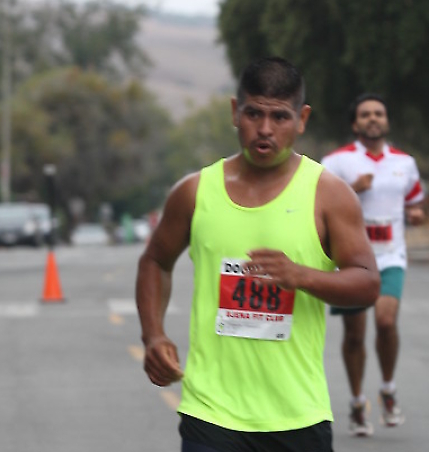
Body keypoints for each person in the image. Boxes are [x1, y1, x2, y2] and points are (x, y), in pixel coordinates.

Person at [135, 57, 380, 452]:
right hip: (211, 414)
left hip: (298, 416)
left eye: (280, 117)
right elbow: (155, 260)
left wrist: (301, 276)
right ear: (236, 112)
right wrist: (153, 334)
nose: (265, 129)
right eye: (254, 114)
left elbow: (367, 283)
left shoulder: (329, 195)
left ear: (301, 119)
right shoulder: (195, 192)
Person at [321, 93, 425, 437]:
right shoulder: (336, 162)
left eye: (379, 113)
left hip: (391, 255)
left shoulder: (405, 163)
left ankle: (388, 390)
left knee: (385, 321)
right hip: (350, 257)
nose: (373, 119)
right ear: (355, 124)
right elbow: (320, 205)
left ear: (387, 121)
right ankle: (356, 402)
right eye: (365, 114)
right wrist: (353, 188)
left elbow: (414, 201)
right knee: (354, 335)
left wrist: (415, 213)